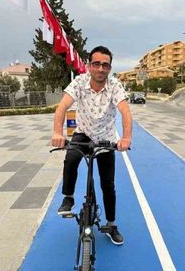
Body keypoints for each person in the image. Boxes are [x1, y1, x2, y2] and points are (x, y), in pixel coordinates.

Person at [51, 45, 132, 246]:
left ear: (110, 68)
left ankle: (111, 224)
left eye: (105, 65)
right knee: (70, 158)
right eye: (96, 64)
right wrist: (57, 133)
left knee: (108, 185)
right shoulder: (79, 82)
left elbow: (125, 112)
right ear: (89, 66)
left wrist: (126, 138)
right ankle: (68, 197)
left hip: (105, 137)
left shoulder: (114, 86)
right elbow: (62, 107)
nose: (100, 69)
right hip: (83, 133)